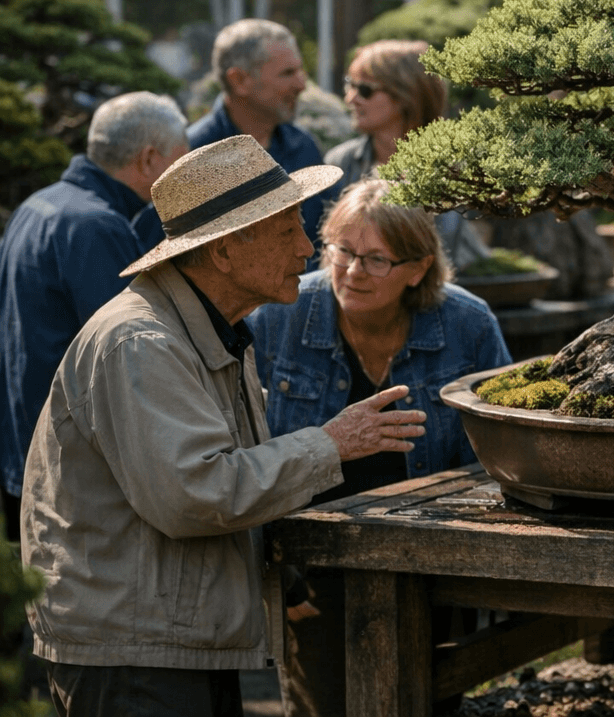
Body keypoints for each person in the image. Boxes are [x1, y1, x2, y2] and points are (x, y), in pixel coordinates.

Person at [21, 136, 426, 717]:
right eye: (288, 228)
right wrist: (331, 443)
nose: (305, 248)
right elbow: (195, 493)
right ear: (225, 251)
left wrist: (275, 578)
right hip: (134, 652)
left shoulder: (208, 327)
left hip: (167, 640)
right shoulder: (144, 342)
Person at [247, 177, 510, 716]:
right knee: (324, 702)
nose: (350, 271)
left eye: (375, 259)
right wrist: (276, 572)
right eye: (342, 250)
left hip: (435, 565)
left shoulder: (467, 324)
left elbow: (499, 456)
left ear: (417, 268)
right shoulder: (279, 318)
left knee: (428, 701)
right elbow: (244, 449)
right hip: (315, 566)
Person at [0, 92, 188, 536]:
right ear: (148, 160)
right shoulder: (96, 226)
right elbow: (130, 354)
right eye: (181, 159)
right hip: (66, 468)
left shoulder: (40, 204)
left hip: (19, 444)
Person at [136, 19, 337, 255]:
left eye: (300, 70)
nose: (302, 84)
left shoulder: (304, 146)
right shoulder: (189, 157)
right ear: (239, 80)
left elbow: (326, 238)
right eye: (287, 73)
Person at [325, 39, 490, 269]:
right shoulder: (340, 162)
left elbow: (444, 252)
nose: (350, 98)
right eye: (349, 85)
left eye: (364, 89)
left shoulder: (449, 168)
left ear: (405, 95)